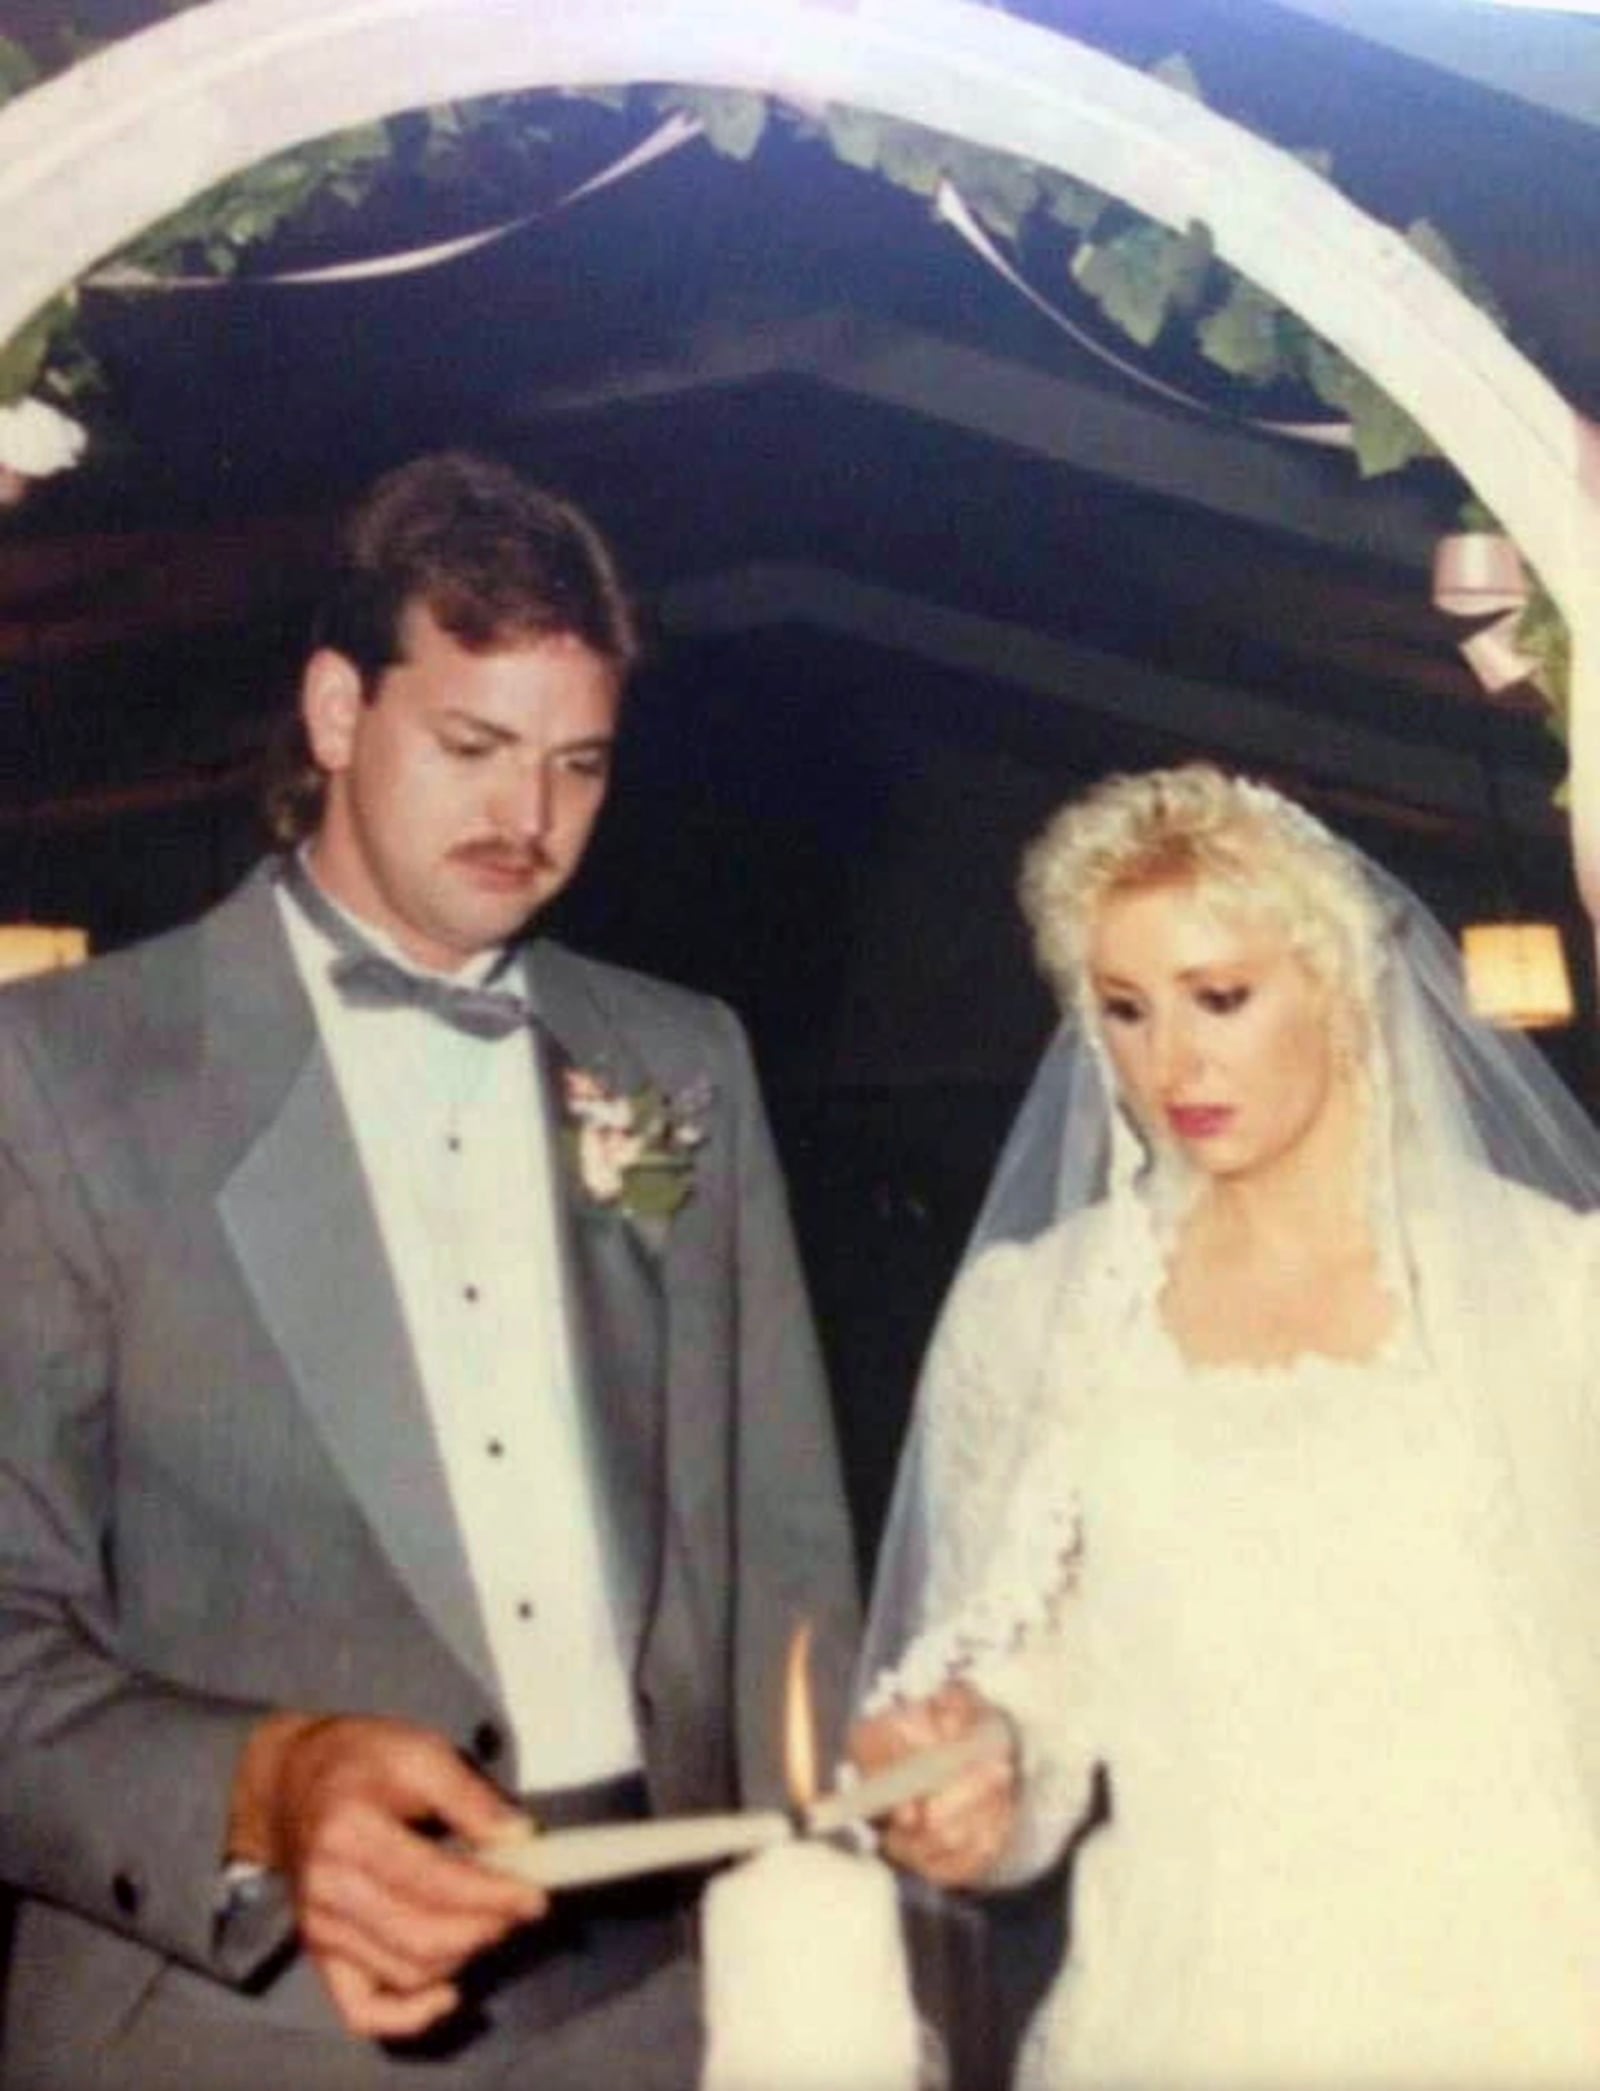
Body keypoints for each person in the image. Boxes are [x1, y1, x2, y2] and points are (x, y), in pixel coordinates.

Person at [0, 450, 859, 2091]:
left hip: (657, 2019)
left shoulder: (679, 1062)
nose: (528, 820)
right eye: (473, 747)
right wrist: (268, 1787)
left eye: (577, 765)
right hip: (243, 2030)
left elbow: (784, 1569)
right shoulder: (58, 1076)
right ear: (338, 711)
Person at [853, 762, 1600, 2087]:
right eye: (1125, 1009)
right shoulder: (1039, 1316)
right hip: (1188, 2002)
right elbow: (1033, 1701)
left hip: (1517, 1989)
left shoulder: (1551, 1284)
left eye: (1221, 998)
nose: (1171, 1063)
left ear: (1339, 983)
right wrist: (973, 1773)